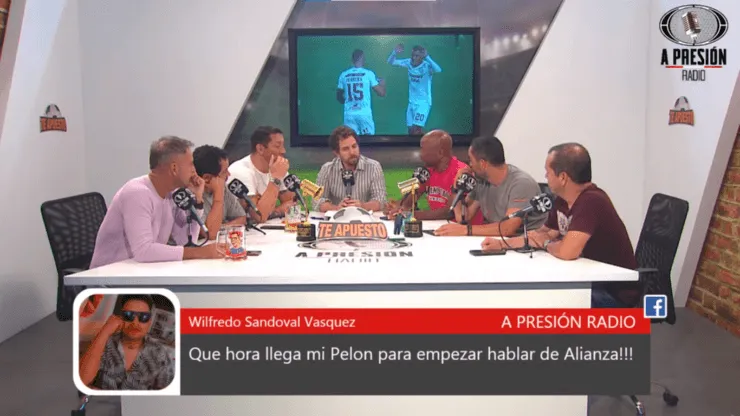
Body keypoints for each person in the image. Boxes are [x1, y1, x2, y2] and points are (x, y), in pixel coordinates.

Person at [480, 143, 639, 307]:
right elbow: (540, 235)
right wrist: (501, 244)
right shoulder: (563, 202)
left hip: (611, 292)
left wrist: (545, 243)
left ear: (563, 177)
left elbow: (566, 251)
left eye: (548, 172)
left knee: (543, 300)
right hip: (585, 278)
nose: (545, 176)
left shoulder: (591, 201)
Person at [90, 136, 224, 268]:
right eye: (190, 164)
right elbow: (143, 251)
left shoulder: (172, 194)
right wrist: (200, 252)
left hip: (141, 272)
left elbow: (185, 241)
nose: (194, 170)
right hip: (109, 276)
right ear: (174, 168)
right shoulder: (137, 193)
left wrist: (197, 200)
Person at [435, 135, 545, 237]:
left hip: (525, 243)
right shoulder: (482, 182)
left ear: (483, 164)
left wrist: (466, 230)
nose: (470, 165)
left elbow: (507, 228)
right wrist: (456, 188)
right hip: (496, 240)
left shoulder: (521, 184)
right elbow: (463, 217)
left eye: (471, 160)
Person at [385, 130, 483, 223]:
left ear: (440, 153)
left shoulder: (461, 172)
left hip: (462, 229)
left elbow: (449, 212)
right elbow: (409, 202)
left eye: (423, 149)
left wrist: (411, 215)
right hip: (438, 226)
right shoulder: (427, 171)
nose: (420, 155)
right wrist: (398, 207)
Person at [79, 295, 174, 390]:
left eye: (143, 317)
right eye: (128, 315)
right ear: (121, 318)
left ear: (149, 322)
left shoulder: (160, 354)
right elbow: (82, 381)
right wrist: (105, 330)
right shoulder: (103, 342)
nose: (135, 323)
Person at [228, 126, 295, 223]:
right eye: (277, 146)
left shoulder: (277, 167)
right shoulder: (241, 171)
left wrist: (271, 211)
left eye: (283, 146)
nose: (283, 151)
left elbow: (292, 203)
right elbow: (259, 216)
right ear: (260, 149)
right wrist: (275, 179)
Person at [314, 126, 387, 212]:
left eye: (354, 146)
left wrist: (362, 206)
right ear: (337, 153)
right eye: (346, 149)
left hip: (365, 218)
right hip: (337, 218)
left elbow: (381, 200)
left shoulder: (374, 167)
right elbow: (317, 201)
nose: (352, 152)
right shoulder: (327, 169)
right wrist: (337, 209)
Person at [193, 145, 249, 239]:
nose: (229, 174)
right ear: (207, 178)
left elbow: (241, 218)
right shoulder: (194, 196)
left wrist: (221, 228)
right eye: (224, 172)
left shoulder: (224, 188)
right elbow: (211, 233)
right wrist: (218, 195)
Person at [387, 43, 442, 135]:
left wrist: (427, 57)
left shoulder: (426, 66)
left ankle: (429, 141)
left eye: (417, 56)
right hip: (411, 102)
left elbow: (438, 69)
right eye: (413, 55)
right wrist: (394, 52)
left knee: (416, 130)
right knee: (410, 130)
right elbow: (391, 62)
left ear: (422, 57)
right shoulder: (408, 62)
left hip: (423, 103)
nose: (414, 58)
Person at [336, 49, 386, 135]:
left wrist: (351, 103)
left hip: (349, 114)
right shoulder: (368, 74)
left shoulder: (343, 75)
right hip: (364, 114)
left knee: (351, 140)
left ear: (352, 60)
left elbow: (339, 98)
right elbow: (381, 93)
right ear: (363, 59)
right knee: (368, 141)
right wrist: (383, 84)